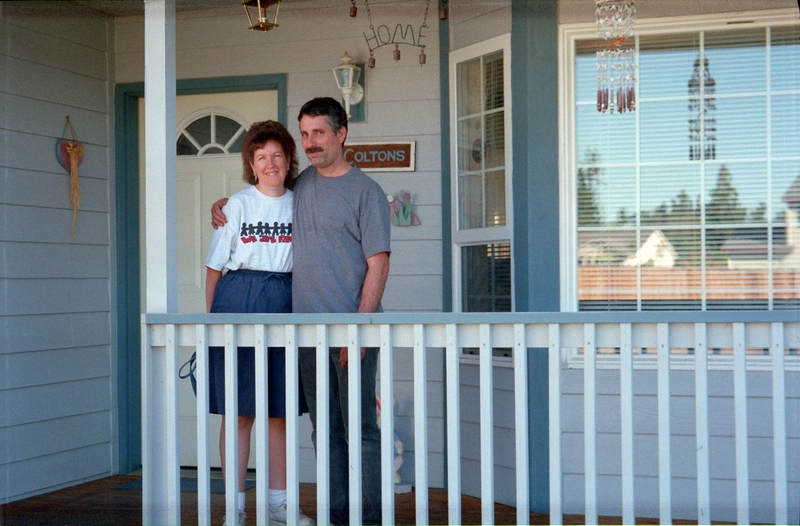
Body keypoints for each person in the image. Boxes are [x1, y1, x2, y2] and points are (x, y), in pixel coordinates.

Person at [211, 97, 391, 525]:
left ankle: (365, 518)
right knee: (325, 432)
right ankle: (334, 515)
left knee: (360, 431)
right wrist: (225, 205)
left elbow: (379, 263)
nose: (311, 142)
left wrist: (359, 328)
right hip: (306, 334)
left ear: (341, 134)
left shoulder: (366, 191)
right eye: (305, 134)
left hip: (352, 331)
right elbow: (262, 196)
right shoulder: (303, 188)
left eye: (319, 133)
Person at [205, 120, 314, 526]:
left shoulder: (302, 201)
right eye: (261, 157)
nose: (270, 164)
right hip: (238, 303)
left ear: (289, 161)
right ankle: (233, 507)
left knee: (280, 412)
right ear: (251, 164)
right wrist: (212, 323)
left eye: (277, 156)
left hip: (285, 302)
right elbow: (214, 268)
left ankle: (279, 505)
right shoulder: (236, 205)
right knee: (238, 412)